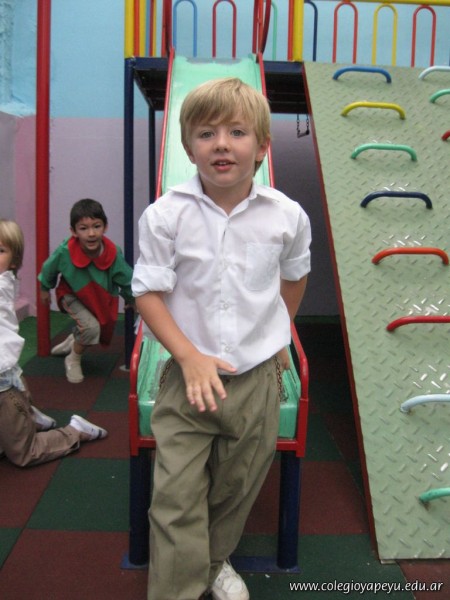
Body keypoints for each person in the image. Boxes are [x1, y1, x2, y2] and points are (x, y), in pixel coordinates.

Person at [132, 77, 311, 600]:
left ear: (262, 146)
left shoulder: (286, 216)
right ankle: (177, 589)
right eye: (206, 133)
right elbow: (148, 293)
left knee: (236, 488)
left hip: (254, 381)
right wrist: (188, 357)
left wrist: (279, 335)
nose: (222, 144)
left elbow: (294, 277)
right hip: (188, 380)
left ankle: (212, 562)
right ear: (188, 148)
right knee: (175, 498)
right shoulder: (166, 215)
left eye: (237, 132)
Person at [0, 219, 108, 468]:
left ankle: (75, 430)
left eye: (0, 250)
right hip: (9, 385)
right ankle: (30, 417)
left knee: (24, 454)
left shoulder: (2, 285)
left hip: (5, 390)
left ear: (13, 262)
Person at [38, 199, 134, 384]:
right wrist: (45, 288)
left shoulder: (112, 252)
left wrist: (132, 299)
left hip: (96, 296)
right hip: (71, 294)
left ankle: (75, 339)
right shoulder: (66, 250)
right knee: (91, 329)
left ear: (105, 227)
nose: (91, 233)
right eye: (83, 228)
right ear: (74, 231)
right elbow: (49, 268)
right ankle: (73, 358)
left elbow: (126, 278)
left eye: (96, 226)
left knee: (99, 327)